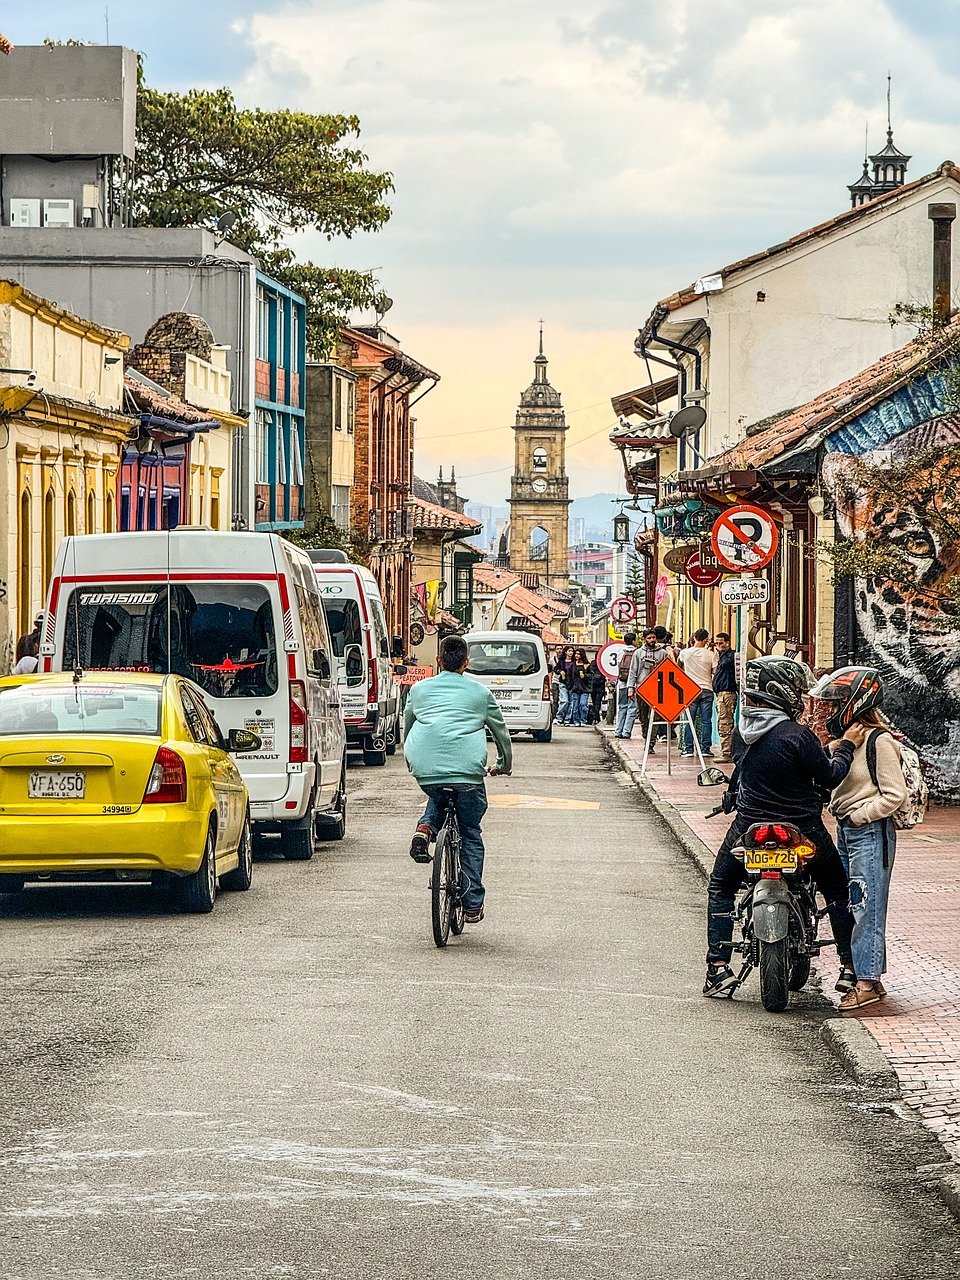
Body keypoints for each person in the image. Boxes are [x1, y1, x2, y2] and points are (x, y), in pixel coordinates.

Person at [703, 656, 864, 998]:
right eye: (796, 690)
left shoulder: (742, 733)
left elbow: (743, 775)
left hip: (750, 825)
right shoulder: (797, 736)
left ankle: (717, 967)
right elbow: (831, 776)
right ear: (781, 692)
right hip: (802, 828)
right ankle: (849, 967)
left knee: (721, 886)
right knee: (836, 889)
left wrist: (732, 796)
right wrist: (846, 747)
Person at [815, 667, 907, 1013]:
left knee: (866, 908)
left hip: (869, 833)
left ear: (856, 702)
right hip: (847, 830)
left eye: (837, 701)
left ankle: (866, 984)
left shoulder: (879, 741)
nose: (830, 709)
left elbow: (893, 795)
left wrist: (858, 815)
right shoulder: (851, 741)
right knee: (853, 904)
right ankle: (872, 977)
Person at [404, 634, 512, 924]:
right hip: (467, 773)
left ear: (438, 661)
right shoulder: (479, 693)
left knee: (438, 793)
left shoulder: (418, 690)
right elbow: (501, 733)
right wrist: (504, 764)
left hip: (426, 768)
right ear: (467, 662)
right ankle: (473, 903)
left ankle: (426, 828)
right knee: (470, 832)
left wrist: (410, 758)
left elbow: (408, 726)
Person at [625, 627, 670, 749]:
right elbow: (633, 671)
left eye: (653, 637)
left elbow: (668, 671)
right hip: (642, 689)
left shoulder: (663, 653)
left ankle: (650, 743)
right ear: (645, 639)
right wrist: (630, 687)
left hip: (657, 689)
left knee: (654, 717)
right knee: (644, 718)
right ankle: (646, 736)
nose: (652, 640)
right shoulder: (638, 653)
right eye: (649, 638)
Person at [679, 629, 717, 758]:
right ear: (706, 639)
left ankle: (688, 749)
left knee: (690, 720)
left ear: (694, 638)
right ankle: (705, 749)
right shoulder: (711, 654)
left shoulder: (685, 653)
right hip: (706, 689)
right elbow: (715, 672)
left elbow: (679, 667)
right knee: (707, 721)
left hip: (690, 690)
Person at [712, 632, 738, 763]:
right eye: (716, 643)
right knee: (723, 722)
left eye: (720, 643)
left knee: (725, 723)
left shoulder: (729, 657)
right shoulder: (722, 657)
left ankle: (727, 752)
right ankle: (726, 750)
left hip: (726, 694)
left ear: (727, 643)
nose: (718, 646)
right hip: (721, 694)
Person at [614, 632, 638, 738]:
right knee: (632, 707)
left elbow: (617, 668)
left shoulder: (620, 652)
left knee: (622, 707)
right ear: (633, 641)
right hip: (632, 684)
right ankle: (626, 731)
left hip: (621, 683)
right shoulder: (637, 652)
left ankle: (618, 730)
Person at [568, 648, 592, 726]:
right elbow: (570, 676)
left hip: (584, 688)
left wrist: (585, 675)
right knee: (575, 706)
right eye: (576, 654)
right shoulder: (573, 664)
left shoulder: (587, 665)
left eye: (578, 654)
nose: (576, 655)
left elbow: (591, 676)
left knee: (583, 705)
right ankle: (576, 721)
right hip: (575, 688)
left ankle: (583, 720)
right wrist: (570, 685)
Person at [555, 645, 575, 724]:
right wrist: (560, 671)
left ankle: (567, 719)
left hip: (572, 684)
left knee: (571, 702)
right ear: (566, 652)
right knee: (564, 701)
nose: (571, 653)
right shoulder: (562, 661)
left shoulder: (574, 662)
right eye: (569, 651)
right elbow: (556, 669)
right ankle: (559, 717)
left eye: (572, 651)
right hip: (563, 682)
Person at [586, 652, 605, 724]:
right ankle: (595, 718)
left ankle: (595, 718)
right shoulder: (600, 664)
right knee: (596, 702)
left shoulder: (593, 664)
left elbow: (587, 673)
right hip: (597, 685)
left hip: (595, 686)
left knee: (596, 702)